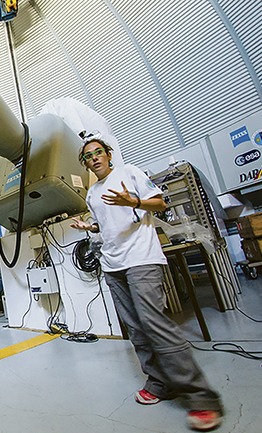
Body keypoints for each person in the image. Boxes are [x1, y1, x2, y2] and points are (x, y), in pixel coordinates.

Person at [70, 135, 222, 431]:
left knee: (155, 324)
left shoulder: (131, 173)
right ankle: (160, 383)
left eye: (98, 152)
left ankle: (202, 398)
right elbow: (108, 222)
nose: (94, 159)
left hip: (141, 259)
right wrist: (90, 226)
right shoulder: (92, 194)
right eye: (88, 157)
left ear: (109, 154)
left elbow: (160, 203)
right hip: (113, 265)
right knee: (136, 329)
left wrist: (135, 201)